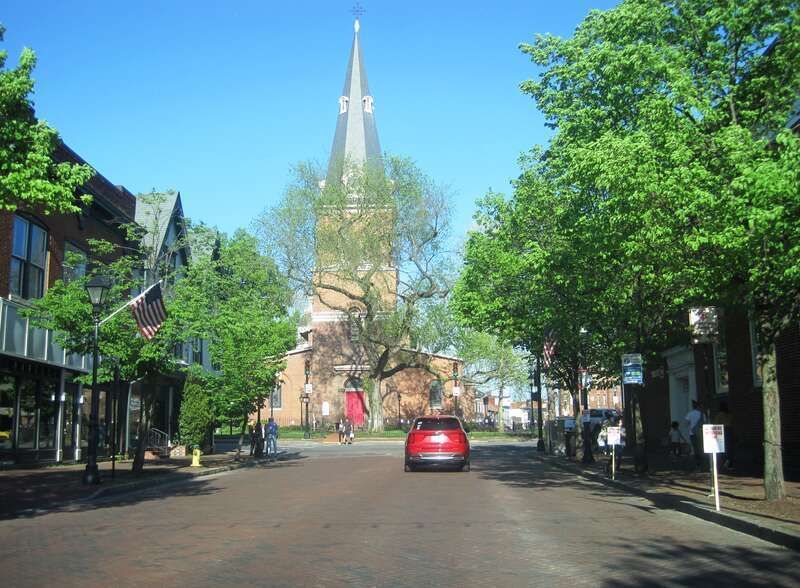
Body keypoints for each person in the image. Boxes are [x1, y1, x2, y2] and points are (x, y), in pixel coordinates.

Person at [685, 400, 704, 471]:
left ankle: (697, 464)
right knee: (700, 448)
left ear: (693, 406)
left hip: (692, 433)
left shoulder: (690, 413)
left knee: (695, 449)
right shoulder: (702, 414)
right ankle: (701, 463)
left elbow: (686, 423)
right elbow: (704, 423)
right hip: (700, 433)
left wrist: (691, 424)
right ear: (698, 406)